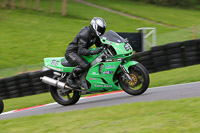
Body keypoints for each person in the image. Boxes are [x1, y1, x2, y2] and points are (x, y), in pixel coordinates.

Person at [65, 17, 107, 88]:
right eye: (100, 29)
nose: (102, 31)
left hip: (79, 52)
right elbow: (81, 51)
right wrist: (93, 51)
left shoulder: (95, 34)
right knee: (84, 65)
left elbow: (100, 44)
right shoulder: (84, 34)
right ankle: (70, 79)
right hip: (72, 53)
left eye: (103, 29)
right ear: (95, 26)